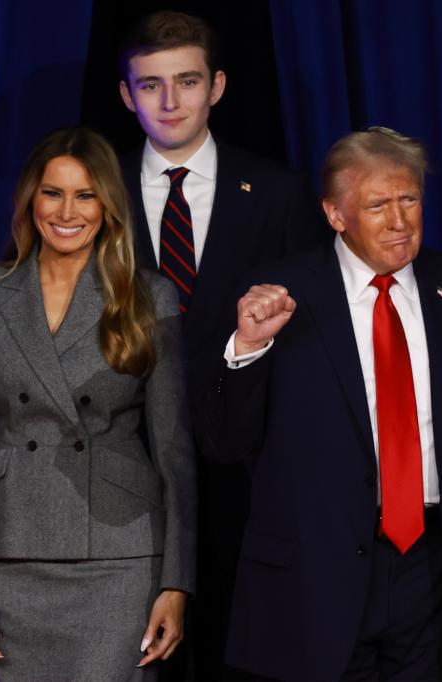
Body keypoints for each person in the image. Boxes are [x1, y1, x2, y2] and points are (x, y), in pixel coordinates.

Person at [195, 127, 442, 680]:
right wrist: (248, 348)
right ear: (335, 214)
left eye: (409, 199)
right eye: (376, 205)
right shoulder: (277, 294)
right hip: (313, 578)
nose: (398, 220)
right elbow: (223, 442)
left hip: (434, 576)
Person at [116, 11, 323, 676]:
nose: (170, 102)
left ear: (218, 86)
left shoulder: (280, 192)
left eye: (187, 82)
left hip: (247, 484)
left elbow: (308, 346)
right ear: (127, 94)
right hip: (122, 488)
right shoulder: (93, 197)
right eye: (151, 85)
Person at [0, 128, 196, 680]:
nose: (67, 211)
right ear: (30, 200)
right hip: (12, 550)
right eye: (52, 193)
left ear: (107, 205)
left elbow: (174, 448)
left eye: (85, 195)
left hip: (121, 553)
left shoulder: (146, 296)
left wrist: (177, 582)